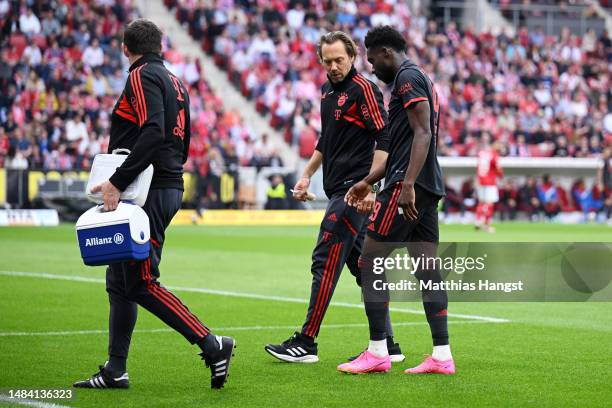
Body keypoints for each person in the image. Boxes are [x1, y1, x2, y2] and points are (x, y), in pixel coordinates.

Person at [73, 19, 235, 391]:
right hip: (163, 183)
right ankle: (116, 369)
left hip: (147, 189)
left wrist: (117, 181)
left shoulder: (141, 75)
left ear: (125, 47)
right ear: (159, 46)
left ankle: (213, 345)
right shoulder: (175, 80)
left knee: (142, 282)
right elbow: (181, 137)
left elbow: (153, 130)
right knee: (120, 281)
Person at [264, 31, 404, 364]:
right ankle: (389, 344)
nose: (333, 66)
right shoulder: (327, 91)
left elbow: (384, 135)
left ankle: (307, 341)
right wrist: (307, 174)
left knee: (324, 260)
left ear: (352, 56)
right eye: (327, 61)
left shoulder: (364, 89)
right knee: (363, 268)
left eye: (339, 60)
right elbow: (327, 140)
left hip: (353, 192)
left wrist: (370, 184)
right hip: (338, 189)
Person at [342, 26, 453, 375]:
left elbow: (424, 132)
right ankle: (442, 356)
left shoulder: (406, 78)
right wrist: (367, 181)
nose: (372, 67)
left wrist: (405, 185)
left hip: (411, 186)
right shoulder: (419, 78)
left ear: (387, 52)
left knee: (369, 260)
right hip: (426, 184)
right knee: (427, 271)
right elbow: (406, 141)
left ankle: (377, 351)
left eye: (372, 60)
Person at [475, 133, 503, 232]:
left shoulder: (481, 153)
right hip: (490, 182)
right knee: (489, 203)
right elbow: (498, 169)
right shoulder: (494, 154)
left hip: (480, 180)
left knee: (481, 202)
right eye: (498, 144)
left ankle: (478, 222)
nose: (499, 146)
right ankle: (487, 226)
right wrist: (501, 175)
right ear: (494, 143)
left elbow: (478, 167)